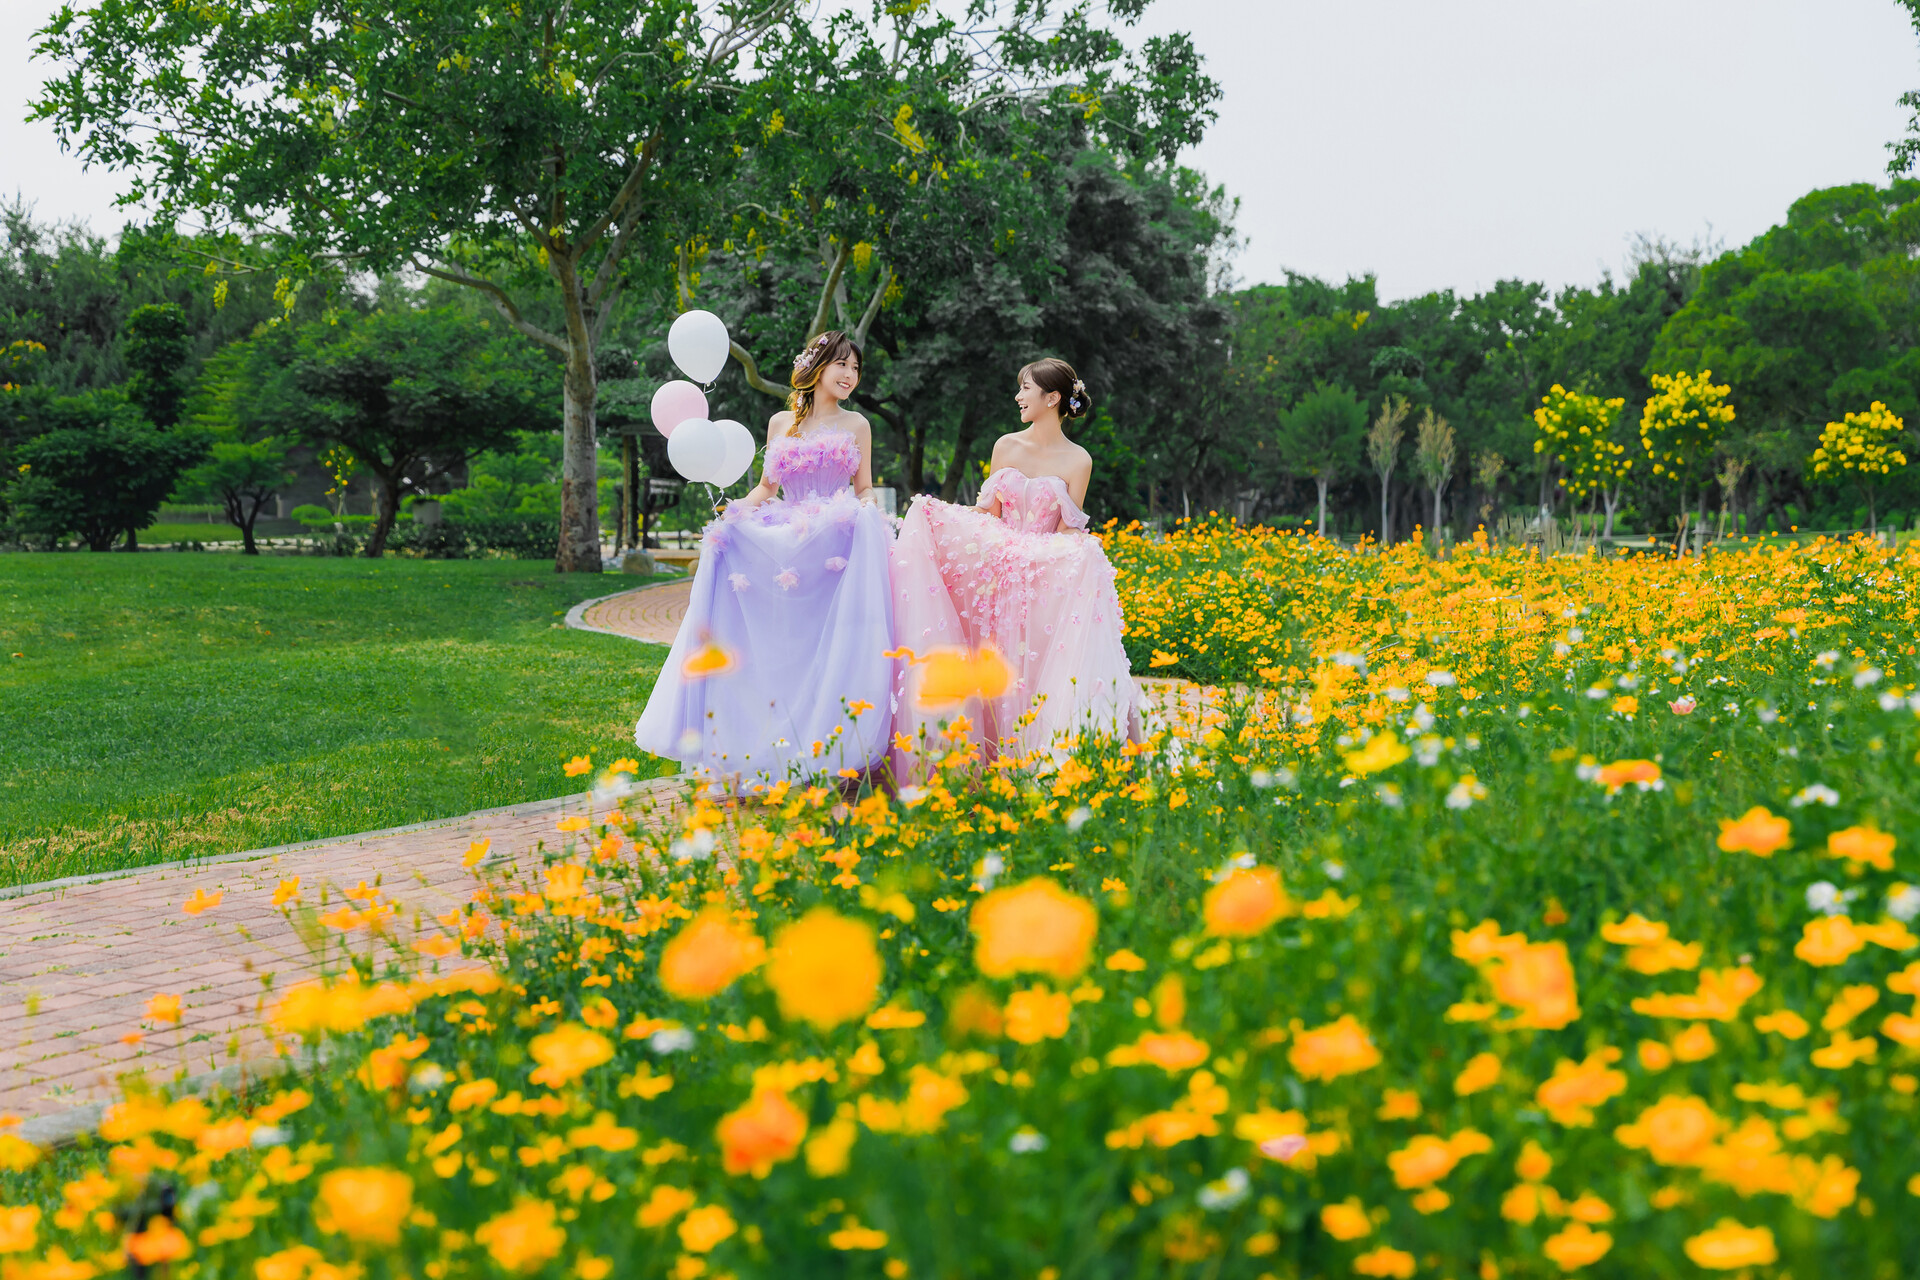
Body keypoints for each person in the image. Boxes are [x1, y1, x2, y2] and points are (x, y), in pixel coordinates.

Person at [635, 331, 894, 787]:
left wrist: (869, 511)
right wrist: (734, 514)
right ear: (817, 367)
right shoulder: (780, 423)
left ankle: (825, 749)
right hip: (786, 542)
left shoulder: (857, 425)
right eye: (842, 364)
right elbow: (766, 487)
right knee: (781, 648)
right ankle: (770, 749)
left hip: (832, 546)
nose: (850, 375)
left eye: (856, 368)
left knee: (824, 647)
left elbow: (864, 487)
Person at [888, 357, 1141, 771]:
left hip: (1040, 575)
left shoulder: (1079, 460)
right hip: (999, 571)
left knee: (1034, 663)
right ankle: (985, 757)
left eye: (1026, 388)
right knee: (993, 659)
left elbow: (1068, 531)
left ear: (1052, 398)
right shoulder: (1005, 446)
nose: (1018, 396)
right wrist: (942, 517)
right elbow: (988, 515)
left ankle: (1032, 756)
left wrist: (1076, 553)